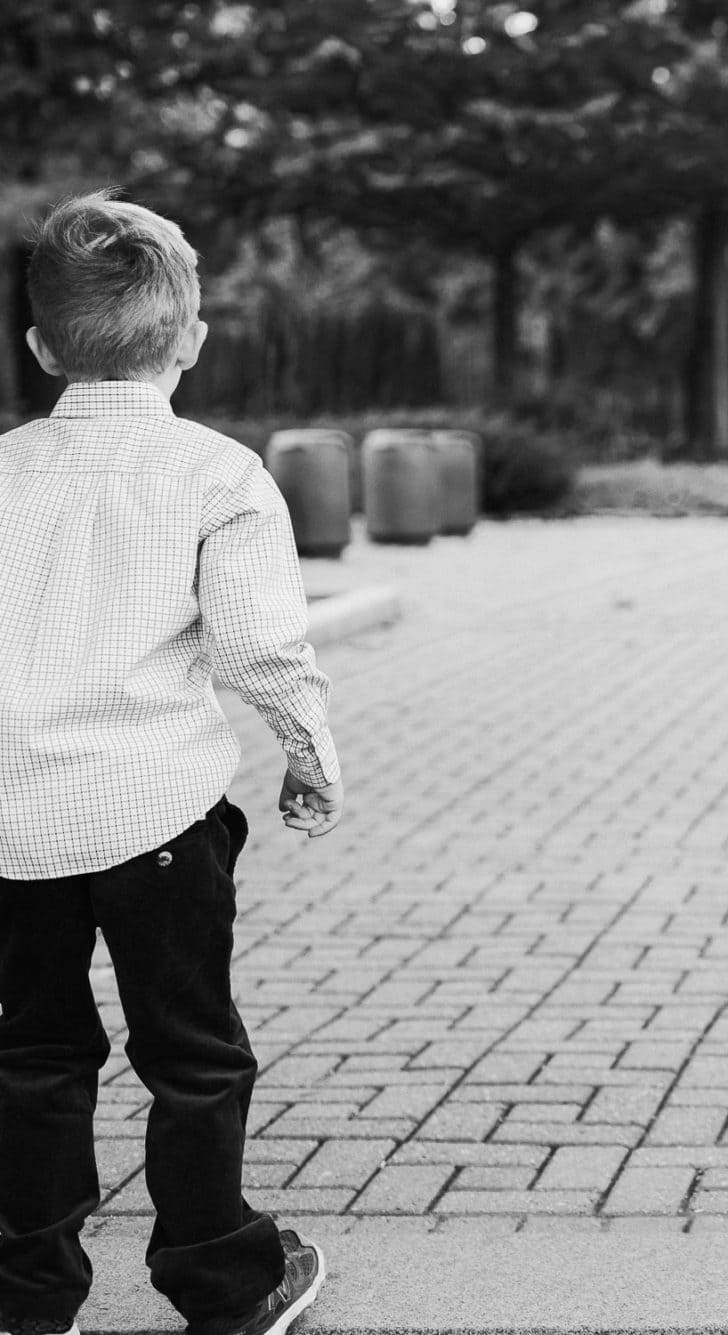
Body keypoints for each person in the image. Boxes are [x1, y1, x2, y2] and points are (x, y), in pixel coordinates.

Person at [0, 192, 343, 1335]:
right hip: (157, 818)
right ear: (190, 339)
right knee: (192, 1056)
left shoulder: (4, 471)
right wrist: (307, 756)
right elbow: (260, 644)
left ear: (43, 346)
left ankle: (29, 1297)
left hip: (10, 827)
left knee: (32, 1058)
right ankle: (224, 1286)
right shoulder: (217, 473)